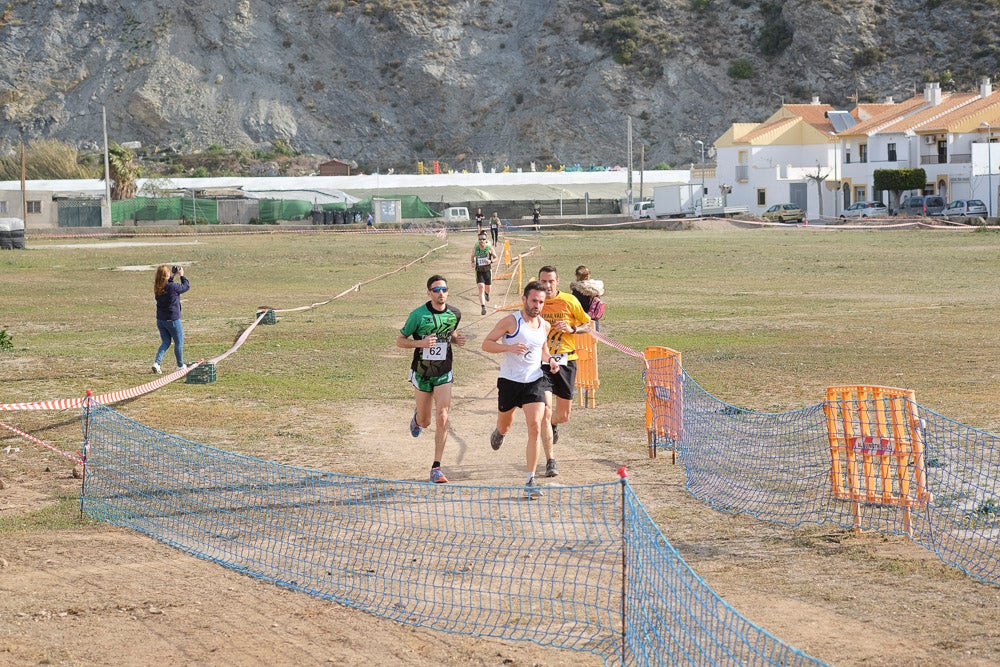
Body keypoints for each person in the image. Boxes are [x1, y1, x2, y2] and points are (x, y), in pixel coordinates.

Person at [482, 281, 559, 498]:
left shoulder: (544, 325)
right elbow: (486, 344)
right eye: (534, 300)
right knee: (505, 423)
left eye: (541, 302)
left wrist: (551, 360)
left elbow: (542, 350)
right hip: (509, 381)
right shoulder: (510, 321)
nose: (537, 305)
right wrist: (509, 347)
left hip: (534, 381)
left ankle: (530, 480)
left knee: (535, 425)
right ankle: (500, 432)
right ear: (524, 299)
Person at [396, 275, 467, 484]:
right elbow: (400, 341)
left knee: (443, 415)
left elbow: (449, 333)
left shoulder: (455, 314)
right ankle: (417, 418)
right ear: (429, 292)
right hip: (421, 372)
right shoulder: (418, 315)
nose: (441, 293)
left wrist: (457, 339)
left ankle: (436, 467)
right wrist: (421, 343)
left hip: (444, 372)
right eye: (436, 290)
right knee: (426, 421)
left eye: (444, 289)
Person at [537, 265, 591, 476]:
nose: (547, 286)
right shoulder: (536, 301)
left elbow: (589, 324)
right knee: (546, 409)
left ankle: (552, 424)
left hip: (566, 361)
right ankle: (551, 460)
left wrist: (572, 329)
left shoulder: (570, 301)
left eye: (551, 281)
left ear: (557, 282)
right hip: (541, 362)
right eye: (544, 281)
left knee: (563, 415)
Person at [152, 264, 190, 373]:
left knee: (166, 342)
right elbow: (185, 287)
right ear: (166, 275)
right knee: (179, 343)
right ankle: (180, 365)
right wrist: (182, 276)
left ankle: (157, 363)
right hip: (172, 320)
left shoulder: (157, 287)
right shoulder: (172, 287)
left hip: (161, 320)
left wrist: (172, 276)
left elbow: (168, 286)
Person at [570, 265, 605, 331]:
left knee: (582, 340)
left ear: (577, 275)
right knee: (594, 339)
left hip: (582, 319)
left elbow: (575, 305)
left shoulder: (578, 290)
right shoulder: (596, 288)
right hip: (594, 319)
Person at [471, 232, 498, 315]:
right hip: (479, 270)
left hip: (487, 270)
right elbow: (472, 256)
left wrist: (491, 261)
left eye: (483, 239)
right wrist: (472, 262)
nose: (481, 241)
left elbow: (496, 257)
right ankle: (483, 307)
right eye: (480, 239)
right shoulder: (476, 247)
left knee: (488, 288)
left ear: (486, 240)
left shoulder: (489, 247)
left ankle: (487, 294)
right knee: (481, 287)